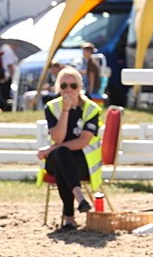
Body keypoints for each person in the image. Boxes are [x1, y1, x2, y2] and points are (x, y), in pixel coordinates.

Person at [36, 67, 104, 232]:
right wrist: (66, 110)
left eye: (73, 86)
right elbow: (58, 137)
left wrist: (52, 148)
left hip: (82, 161)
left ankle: (69, 218)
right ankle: (79, 196)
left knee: (62, 158)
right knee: (62, 156)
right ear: (58, 87)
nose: (68, 89)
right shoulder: (52, 107)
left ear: (80, 87)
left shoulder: (91, 109)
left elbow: (83, 141)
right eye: (64, 85)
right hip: (59, 160)